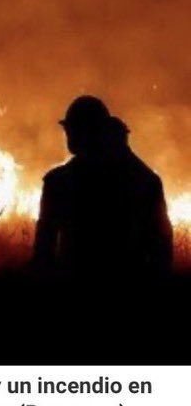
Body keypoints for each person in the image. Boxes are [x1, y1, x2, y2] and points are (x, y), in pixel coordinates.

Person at [32, 96, 173, 275]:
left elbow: (44, 250)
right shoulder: (144, 179)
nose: (69, 136)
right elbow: (162, 246)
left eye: (72, 130)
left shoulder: (58, 182)